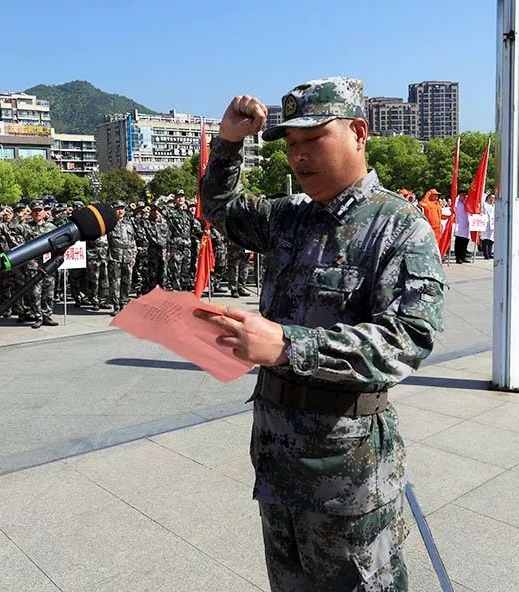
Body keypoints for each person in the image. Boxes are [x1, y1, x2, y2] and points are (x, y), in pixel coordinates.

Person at [195, 78, 444, 591]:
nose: (299, 157)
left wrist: (288, 345)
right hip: (278, 458)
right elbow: (221, 210)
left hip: (346, 474)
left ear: (358, 133)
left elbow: (409, 338)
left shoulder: (398, 227)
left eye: (313, 140)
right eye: (291, 145)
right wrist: (228, 142)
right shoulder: (290, 219)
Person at [454, 189, 471, 263]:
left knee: (465, 241)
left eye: (465, 195)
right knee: (459, 242)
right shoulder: (456, 204)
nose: (464, 197)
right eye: (462, 195)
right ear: (459, 196)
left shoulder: (466, 203)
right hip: (459, 224)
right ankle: (458, 257)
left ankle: (463, 256)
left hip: (466, 224)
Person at [481, 193, 495, 260]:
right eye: (491, 197)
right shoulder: (484, 205)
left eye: (493, 198)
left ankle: (490, 253)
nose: (492, 199)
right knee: (486, 240)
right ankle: (486, 254)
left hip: (492, 225)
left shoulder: (494, 206)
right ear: (488, 198)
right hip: (486, 225)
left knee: (491, 240)